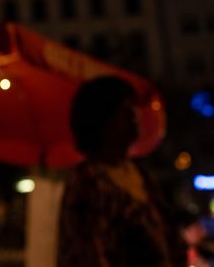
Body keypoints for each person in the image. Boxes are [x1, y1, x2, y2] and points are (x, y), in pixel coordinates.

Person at [57, 76, 186, 267]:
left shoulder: (142, 175)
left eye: (133, 108)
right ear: (103, 121)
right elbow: (89, 252)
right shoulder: (87, 181)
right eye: (124, 111)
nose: (134, 115)